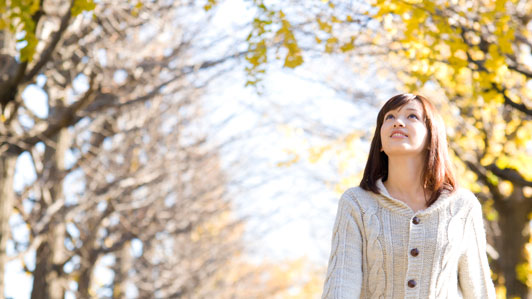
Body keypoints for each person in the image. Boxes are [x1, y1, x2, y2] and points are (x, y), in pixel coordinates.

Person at [321, 94, 496, 298]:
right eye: (390, 117)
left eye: (412, 116)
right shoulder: (357, 204)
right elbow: (341, 285)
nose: (398, 122)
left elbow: (479, 288)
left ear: (432, 138)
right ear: (380, 142)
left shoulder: (462, 206)